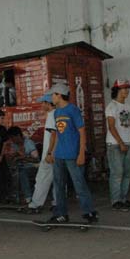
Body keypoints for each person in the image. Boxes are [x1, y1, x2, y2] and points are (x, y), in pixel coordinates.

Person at [47, 84, 99, 224]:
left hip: (72, 154)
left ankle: (89, 212)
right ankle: (61, 213)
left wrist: (81, 153)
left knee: (79, 184)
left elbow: (82, 132)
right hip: (59, 155)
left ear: (59, 95)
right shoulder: (56, 112)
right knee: (58, 185)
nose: (51, 97)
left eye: (53, 95)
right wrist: (52, 152)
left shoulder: (73, 110)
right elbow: (58, 134)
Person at [105, 78, 130, 210]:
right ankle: (116, 201)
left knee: (127, 173)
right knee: (117, 173)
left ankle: (123, 199)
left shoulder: (128, 107)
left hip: (128, 143)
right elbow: (111, 127)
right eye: (124, 88)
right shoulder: (111, 107)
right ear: (117, 90)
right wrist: (120, 143)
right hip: (114, 145)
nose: (127, 91)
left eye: (128, 88)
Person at [26, 94, 58, 214]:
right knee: (57, 179)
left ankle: (35, 204)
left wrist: (49, 153)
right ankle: (57, 203)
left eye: (43, 103)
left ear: (48, 103)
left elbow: (53, 135)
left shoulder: (51, 115)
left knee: (42, 179)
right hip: (57, 153)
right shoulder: (58, 114)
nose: (41, 105)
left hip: (49, 154)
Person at [4, 126, 36, 205]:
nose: (12, 140)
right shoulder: (14, 145)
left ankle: (28, 198)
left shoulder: (28, 143)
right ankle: (12, 196)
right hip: (20, 166)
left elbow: (36, 159)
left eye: (12, 137)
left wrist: (22, 157)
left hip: (32, 166)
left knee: (22, 172)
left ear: (18, 136)